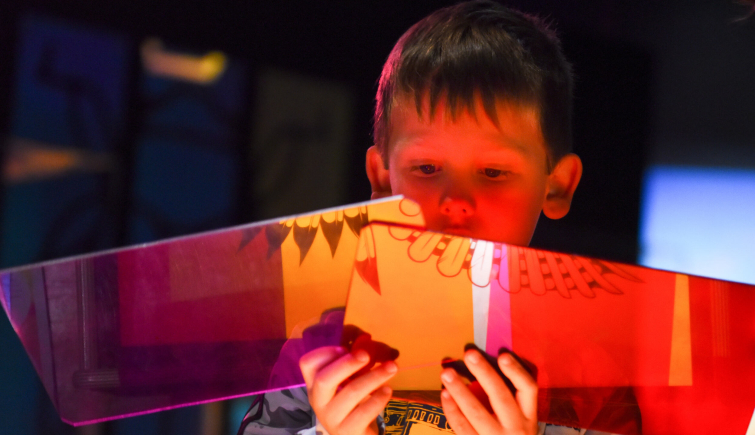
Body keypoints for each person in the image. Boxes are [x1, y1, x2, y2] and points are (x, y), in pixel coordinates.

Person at [239, 1, 587, 433]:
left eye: (494, 172)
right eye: (427, 169)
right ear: (383, 180)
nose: (456, 201)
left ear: (556, 185)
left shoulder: (594, 373)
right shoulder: (324, 347)